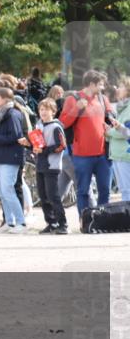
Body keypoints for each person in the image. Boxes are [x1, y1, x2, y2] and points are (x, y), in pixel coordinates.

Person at [59, 69, 116, 215]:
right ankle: (84, 221)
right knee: (83, 190)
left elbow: (111, 117)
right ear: (91, 84)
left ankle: (103, 221)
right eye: (101, 85)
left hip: (103, 154)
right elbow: (63, 123)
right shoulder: (73, 98)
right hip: (82, 155)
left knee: (105, 190)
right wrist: (76, 109)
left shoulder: (102, 99)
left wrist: (111, 121)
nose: (103, 88)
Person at [0, 87, 31, 233]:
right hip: (0, 156)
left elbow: (15, 137)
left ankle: (21, 222)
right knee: (1, 190)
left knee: (8, 189)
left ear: (5, 99)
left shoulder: (12, 114)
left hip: (11, 157)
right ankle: (9, 221)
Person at [33, 98, 68, 234]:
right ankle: (51, 222)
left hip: (52, 166)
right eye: (41, 109)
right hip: (40, 164)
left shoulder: (56, 127)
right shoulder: (38, 125)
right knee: (43, 196)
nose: (43, 112)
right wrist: (30, 145)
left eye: (46, 110)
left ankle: (63, 224)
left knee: (53, 196)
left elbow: (62, 146)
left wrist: (45, 150)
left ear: (53, 111)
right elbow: (37, 145)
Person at [106, 76, 130, 197]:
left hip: (125, 155)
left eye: (121, 86)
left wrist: (109, 131)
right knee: (124, 191)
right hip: (118, 155)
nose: (118, 89)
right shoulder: (123, 106)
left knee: (127, 191)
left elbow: (127, 132)